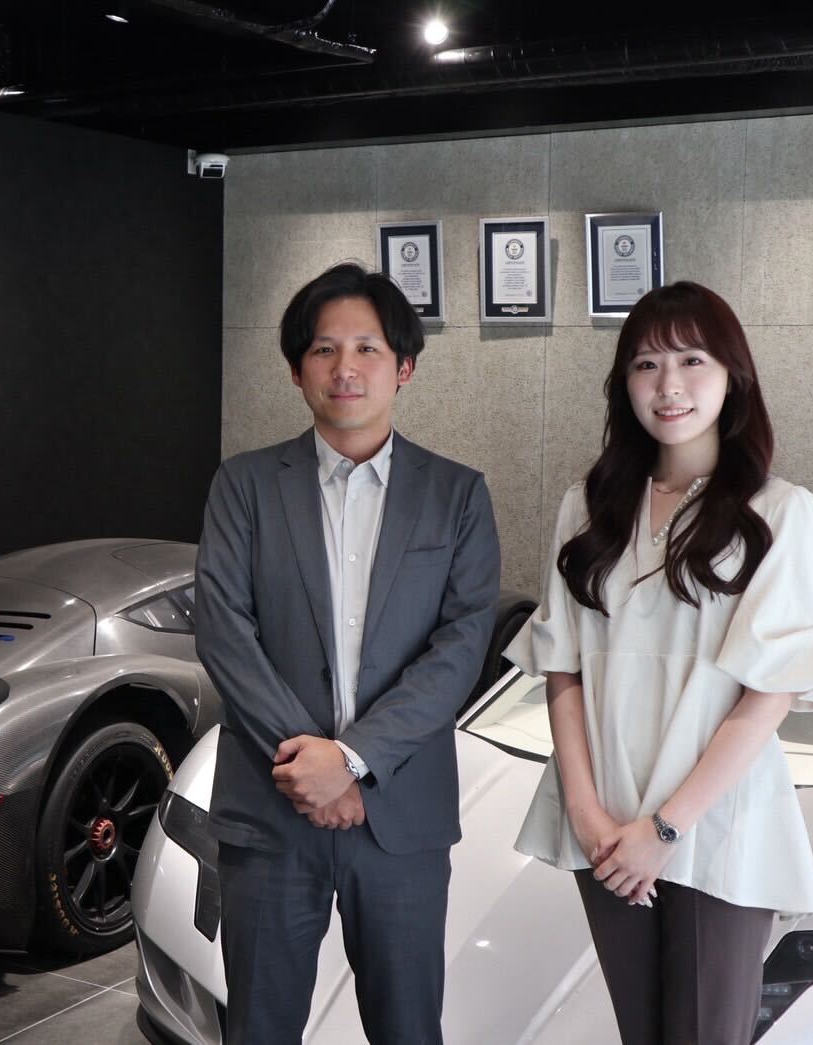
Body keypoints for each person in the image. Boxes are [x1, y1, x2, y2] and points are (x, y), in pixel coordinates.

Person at [506, 280, 813, 1045]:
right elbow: (562, 667)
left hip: (715, 820)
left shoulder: (780, 512)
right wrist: (586, 812)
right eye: (646, 364)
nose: (669, 385)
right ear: (623, 383)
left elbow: (767, 694)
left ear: (732, 376)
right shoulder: (586, 504)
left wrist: (663, 827)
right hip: (604, 821)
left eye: (691, 360)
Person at [194, 262, 501, 1045]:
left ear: (404, 367)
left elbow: (461, 643)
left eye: (367, 347)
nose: (345, 367)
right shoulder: (244, 485)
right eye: (323, 349)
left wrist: (354, 760)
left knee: (407, 1028)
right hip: (270, 812)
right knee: (258, 1030)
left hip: (398, 815)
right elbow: (223, 629)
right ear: (296, 369)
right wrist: (310, 765)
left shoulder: (456, 494)